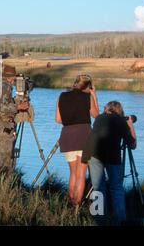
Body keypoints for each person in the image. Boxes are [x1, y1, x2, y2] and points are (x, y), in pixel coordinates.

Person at [82, 101, 137, 224]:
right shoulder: (121, 121)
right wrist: (129, 124)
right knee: (116, 187)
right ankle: (120, 219)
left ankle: (98, 220)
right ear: (120, 111)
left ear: (106, 109)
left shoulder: (99, 118)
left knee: (98, 187)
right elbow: (133, 144)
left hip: (93, 154)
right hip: (112, 156)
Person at [56, 74, 99, 205]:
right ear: (88, 86)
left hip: (67, 136)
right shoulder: (87, 97)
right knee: (81, 174)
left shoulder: (61, 96)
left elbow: (58, 120)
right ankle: (76, 207)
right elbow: (96, 115)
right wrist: (94, 96)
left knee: (73, 173)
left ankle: (71, 202)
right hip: (84, 136)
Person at [0, 65, 29, 173]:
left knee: (2, 162)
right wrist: (19, 106)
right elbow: (1, 108)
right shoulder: (5, 87)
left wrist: (14, 103)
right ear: (10, 78)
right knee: (6, 164)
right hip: (3, 127)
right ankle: (4, 186)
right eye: (14, 79)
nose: (15, 81)